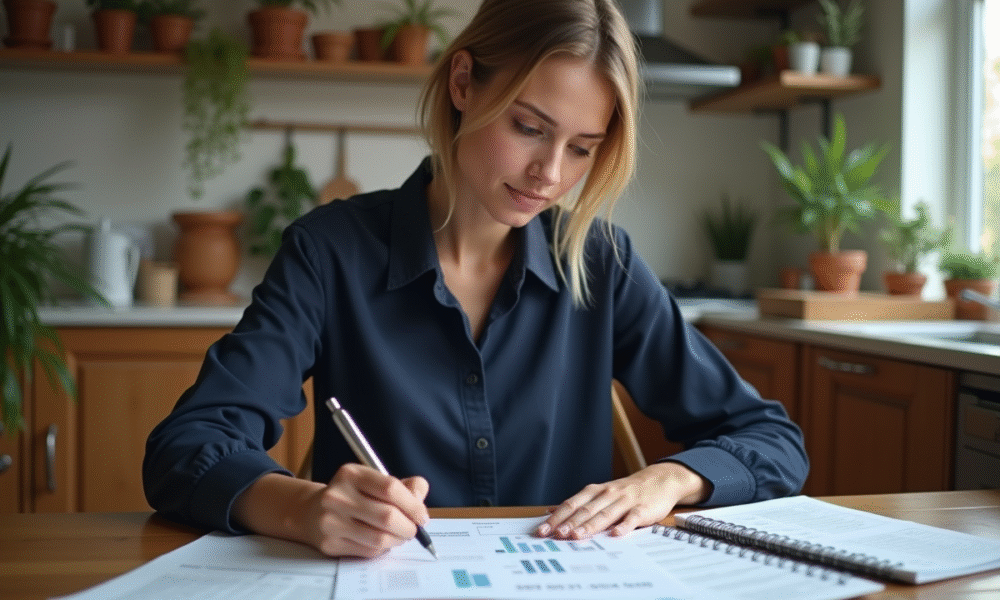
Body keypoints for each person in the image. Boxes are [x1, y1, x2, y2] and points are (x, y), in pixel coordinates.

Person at [144, 0, 808, 559]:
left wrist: (671, 478)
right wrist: (303, 508)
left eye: (581, 148)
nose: (550, 173)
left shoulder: (602, 262)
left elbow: (772, 440)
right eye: (529, 128)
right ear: (464, 83)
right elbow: (187, 446)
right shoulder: (330, 252)